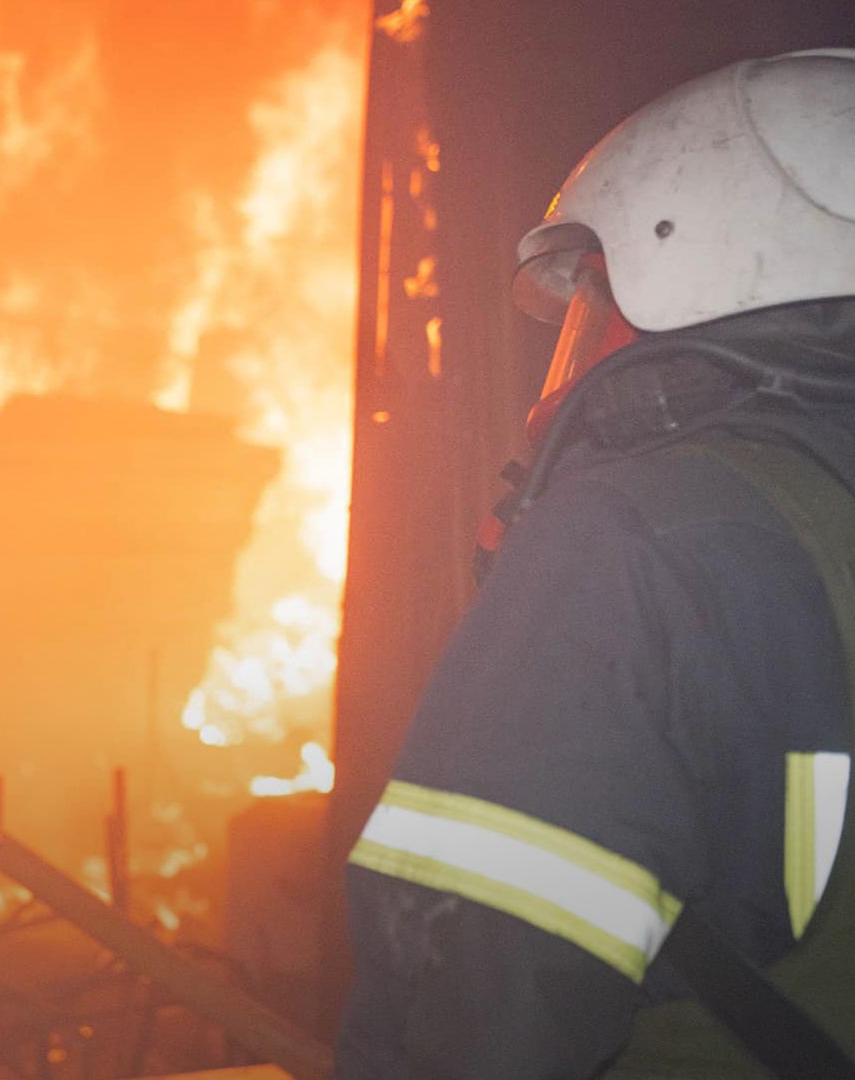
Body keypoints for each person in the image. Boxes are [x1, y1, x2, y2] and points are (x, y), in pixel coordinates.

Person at [337, 49, 855, 1077]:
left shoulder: (627, 544)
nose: (575, 359)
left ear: (703, 271)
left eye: (594, 307)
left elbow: (478, 1002)